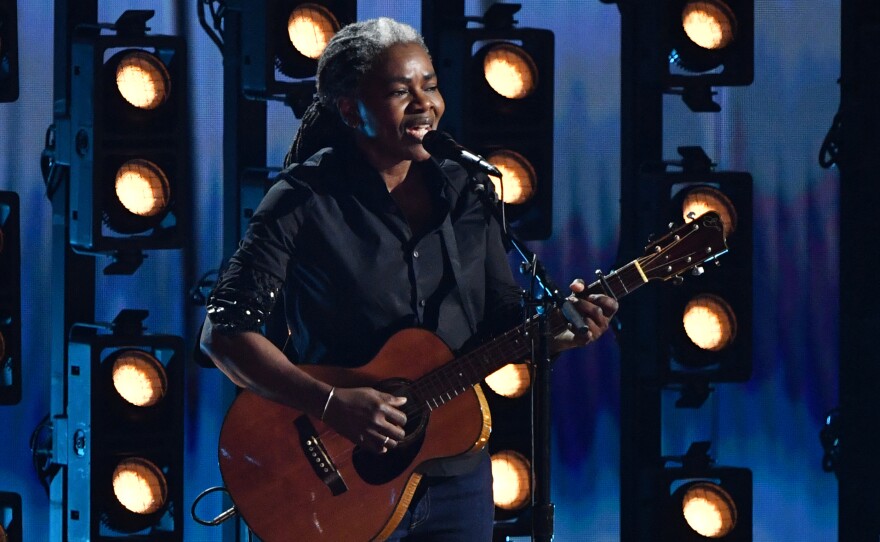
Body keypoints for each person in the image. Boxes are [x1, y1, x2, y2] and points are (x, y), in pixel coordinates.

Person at [200, 17, 618, 541]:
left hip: (457, 476)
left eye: (431, 86)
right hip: (337, 483)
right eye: (401, 91)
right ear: (352, 109)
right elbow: (224, 334)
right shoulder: (305, 197)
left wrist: (560, 331)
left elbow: (502, 321)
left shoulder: (469, 190)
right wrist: (332, 404)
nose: (425, 105)